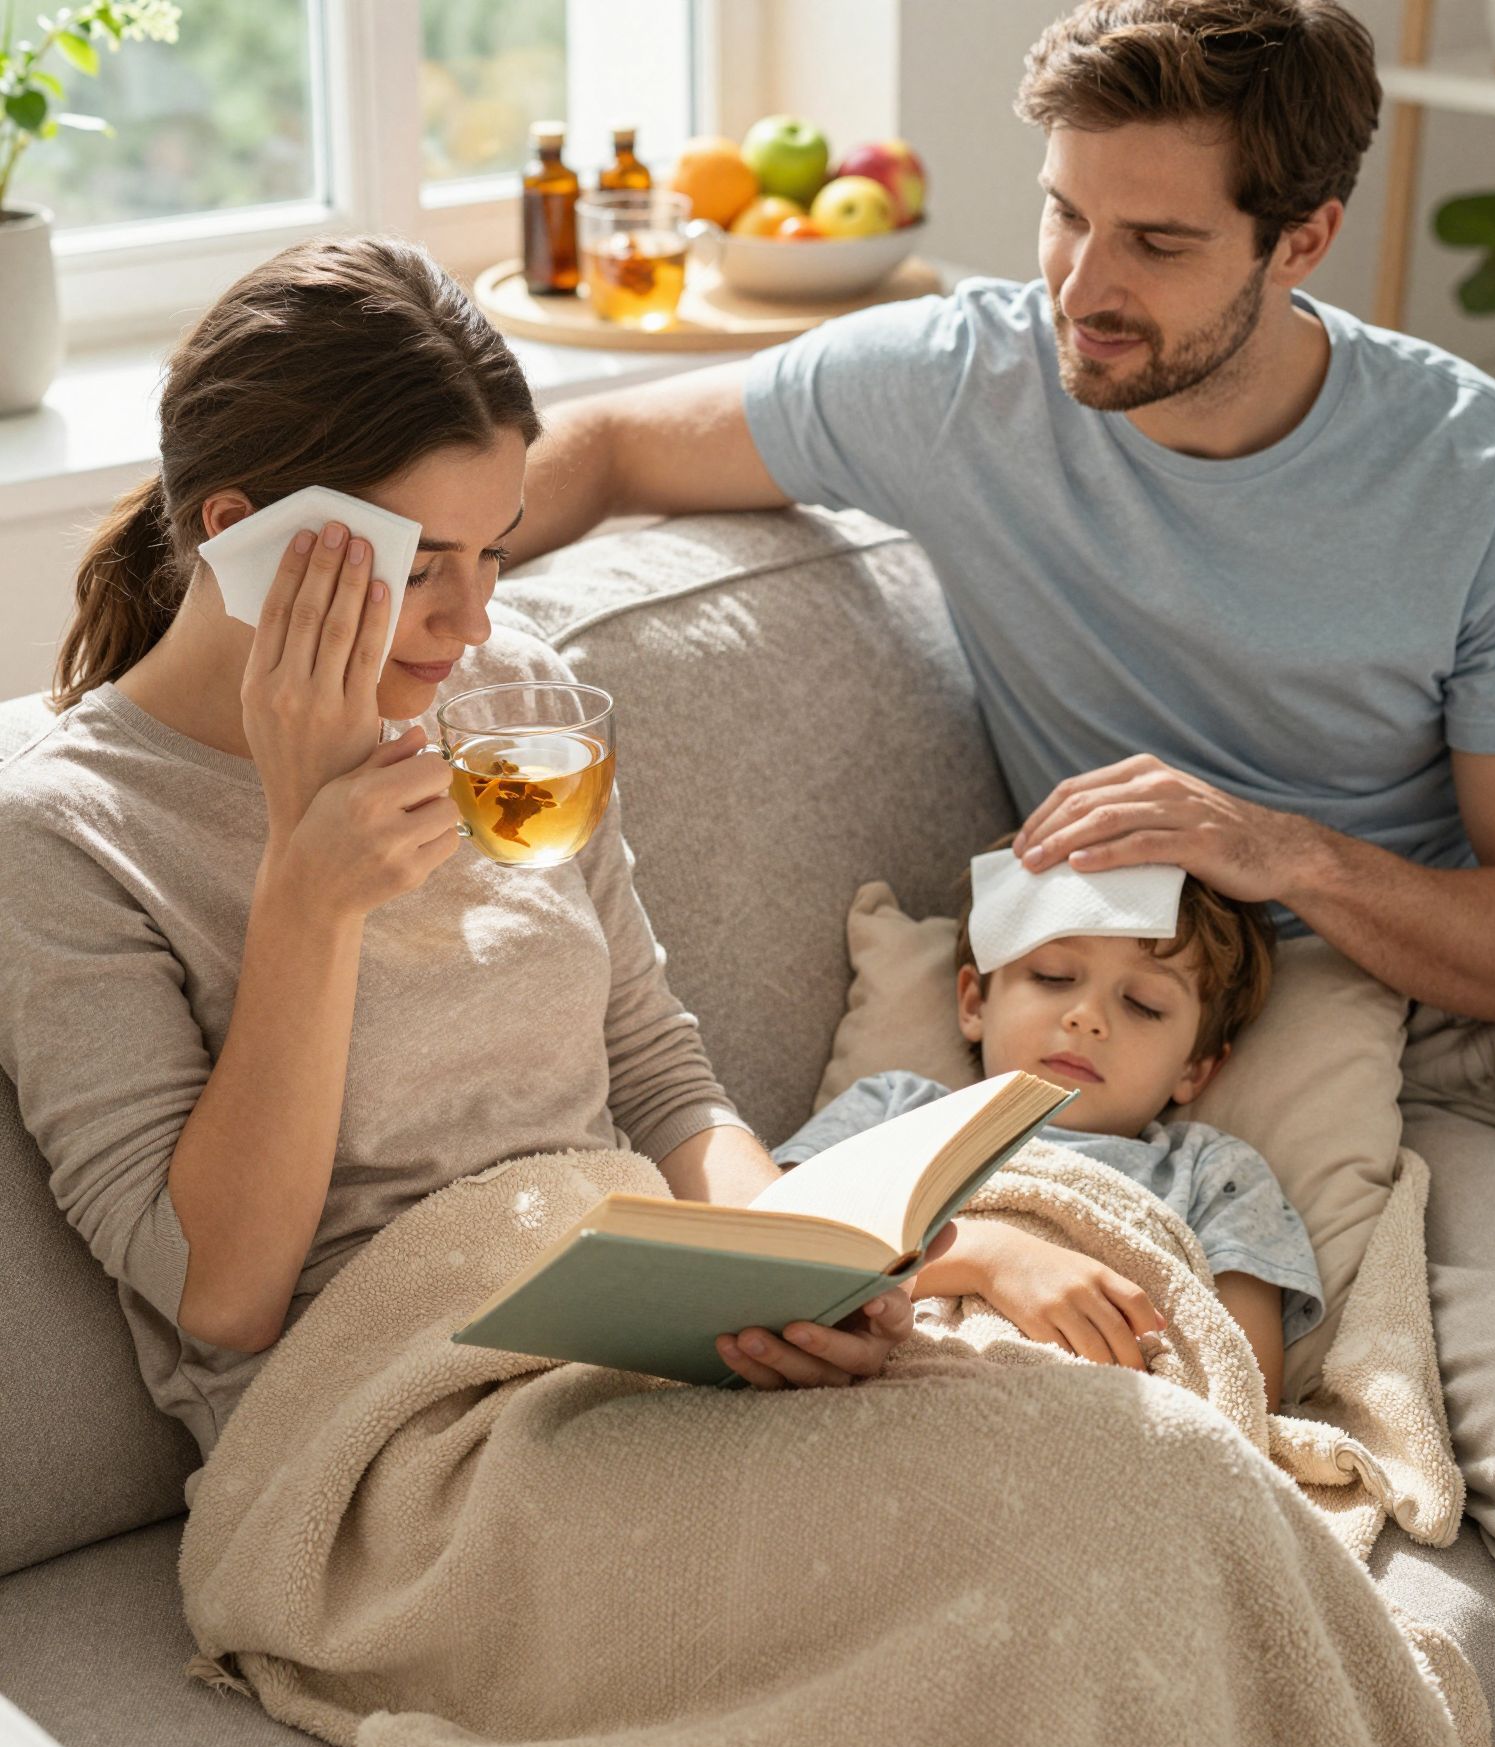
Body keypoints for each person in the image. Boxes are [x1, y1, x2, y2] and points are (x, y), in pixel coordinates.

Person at [500, 0, 1495, 1596]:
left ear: (1306, 239)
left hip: (1427, 1007)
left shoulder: (1480, 485)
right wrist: (373, 602)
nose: (1082, 284)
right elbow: (616, 446)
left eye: (1159, 242)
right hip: (1155, 1028)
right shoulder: (967, 379)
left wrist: (1279, 852)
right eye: (1064, 211)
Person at [0, 236, 941, 1473]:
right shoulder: (69, 835)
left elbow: (656, 1074)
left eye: (493, 548)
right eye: (420, 566)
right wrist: (308, 895)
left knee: (1104, 1464)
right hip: (380, 1443)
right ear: (241, 534)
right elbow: (220, 1295)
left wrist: (799, 1263)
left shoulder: (514, 704)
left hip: (634, 1360)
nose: (475, 619)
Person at [776, 858, 1319, 1409]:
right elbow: (770, 1247)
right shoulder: (897, 1108)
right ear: (974, 1002)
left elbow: (1241, 1388)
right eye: (1053, 976)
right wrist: (989, 1259)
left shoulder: (1216, 1173)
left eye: (1143, 1005)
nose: (1087, 1017)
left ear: (1195, 1068)